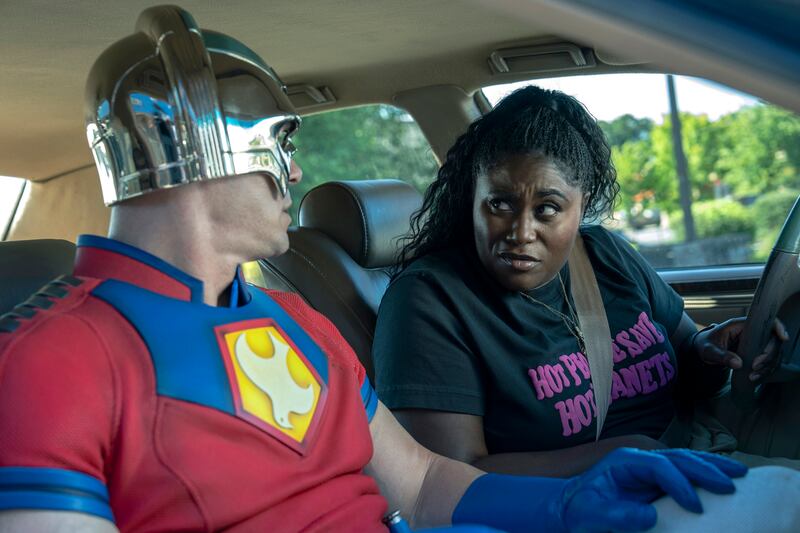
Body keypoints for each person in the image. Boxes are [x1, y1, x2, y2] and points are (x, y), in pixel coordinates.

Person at [0, 7, 755, 533]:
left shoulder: (295, 324)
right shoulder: (50, 360)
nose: (294, 171)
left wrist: (564, 505)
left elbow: (425, 484)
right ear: (198, 146)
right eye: (279, 141)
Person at [372, 85, 790, 478]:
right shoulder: (430, 301)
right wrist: (619, 456)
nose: (520, 231)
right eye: (500, 203)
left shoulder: (606, 255)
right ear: (472, 198)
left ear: (581, 205)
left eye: (548, 208)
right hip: (581, 505)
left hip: (695, 457)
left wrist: (715, 348)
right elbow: (445, 479)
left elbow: (689, 357)